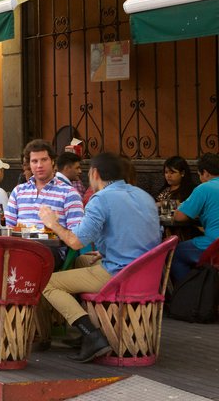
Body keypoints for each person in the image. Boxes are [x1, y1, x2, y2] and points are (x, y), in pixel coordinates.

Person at [39, 152, 160, 362]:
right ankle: (84, 330)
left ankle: (91, 335)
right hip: (146, 274)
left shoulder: (101, 198)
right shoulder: (144, 196)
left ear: (94, 173)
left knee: (48, 282)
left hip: (119, 274)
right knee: (80, 261)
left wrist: (52, 223)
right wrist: (106, 251)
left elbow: (76, 241)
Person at [6, 139, 83, 231]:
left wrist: (55, 226)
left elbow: (77, 235)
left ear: (53, 161)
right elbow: (9, 229)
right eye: (34, 161)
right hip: (21, 245)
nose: (39, 165)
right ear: (29, 164)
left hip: (53, 245)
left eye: (44, 160)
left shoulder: (69, 193)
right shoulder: (18, 192)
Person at [170, 153, 219, 283]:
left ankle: (188, 294)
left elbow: (179, 217)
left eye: (199, 175)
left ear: (205, 173)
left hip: (214, 245)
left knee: (176, 254)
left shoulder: (204, 188)